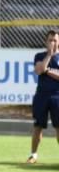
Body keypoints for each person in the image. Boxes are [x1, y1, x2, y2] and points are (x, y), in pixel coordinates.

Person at [27, 30, 59, 164]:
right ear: (46, 42)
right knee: (38, 126)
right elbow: (38, 70)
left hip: (57, 96)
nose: (52, 43)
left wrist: (47, 70)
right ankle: (33, 155)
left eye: (55, 40)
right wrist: (49, 56)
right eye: (50, 40)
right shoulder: (39, 55)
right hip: (41, 96)